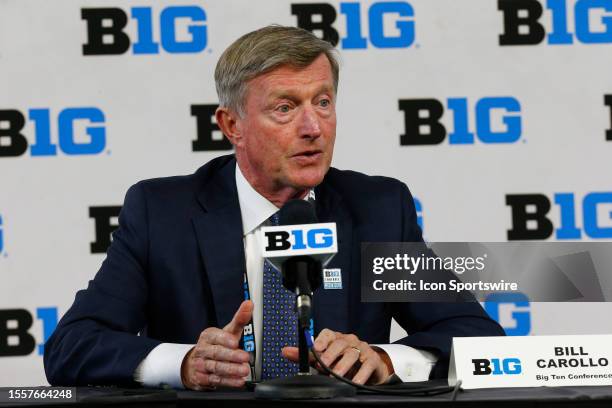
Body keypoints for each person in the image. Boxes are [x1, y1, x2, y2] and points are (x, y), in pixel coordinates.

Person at [44, 25, 504, 390]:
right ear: (232, 125)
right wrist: (184, 362)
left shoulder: (376, 209)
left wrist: (384, 358)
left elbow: (476, 336)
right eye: (285, 108)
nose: (313, 127)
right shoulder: (161, 213)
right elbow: (72, 346)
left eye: (323, 102)